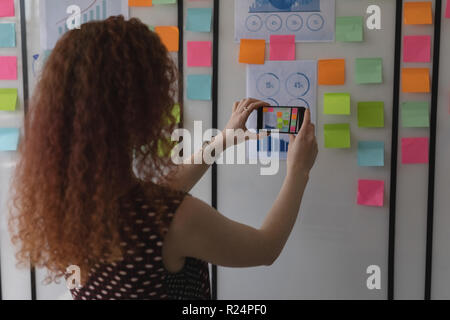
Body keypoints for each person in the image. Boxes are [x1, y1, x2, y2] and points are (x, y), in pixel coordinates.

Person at [9, 16, 318, 300]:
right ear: (139, 107)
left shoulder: (65, 201)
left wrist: (222, 141)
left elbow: (156, 202)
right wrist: (298, 171)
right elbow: (265, 248)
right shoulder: (175, 220)